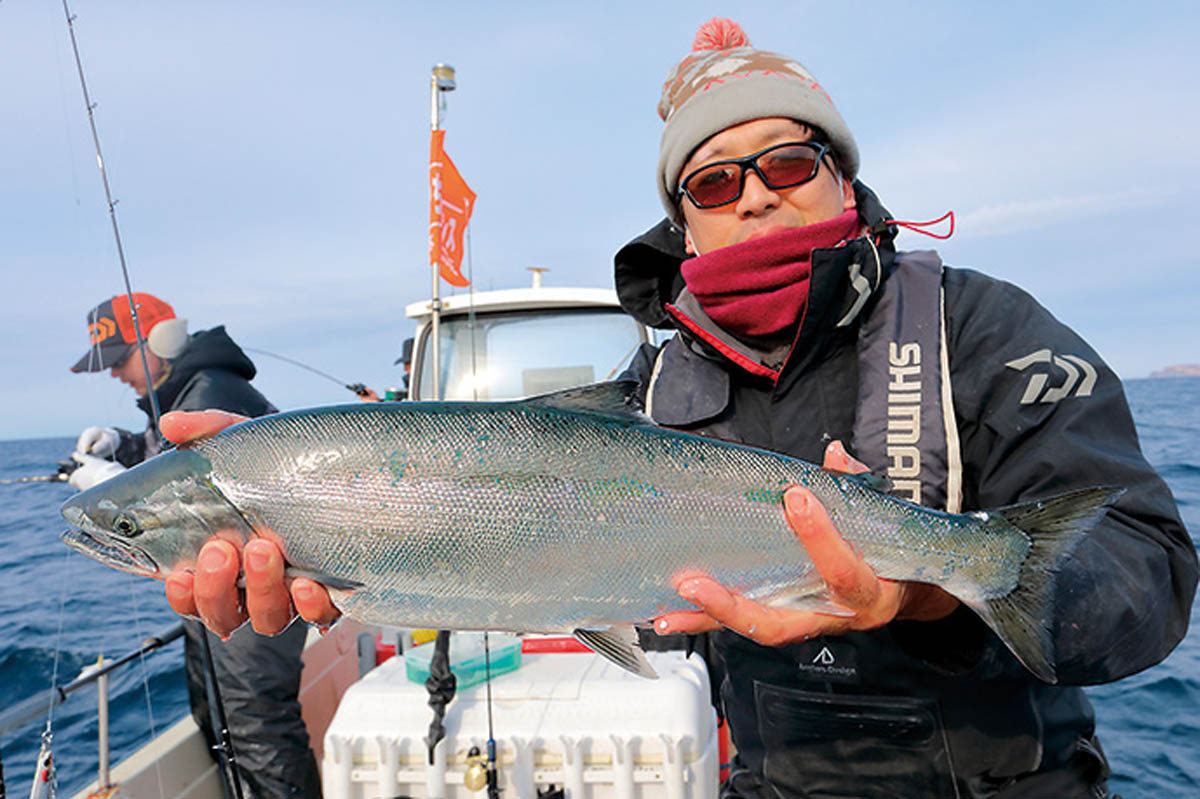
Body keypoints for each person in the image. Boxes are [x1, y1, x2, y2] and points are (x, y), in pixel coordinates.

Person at [156, 19, 1196, 799]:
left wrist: (924, 594)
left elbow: (1148, 572)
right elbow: (619, 587)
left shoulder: (983, 329)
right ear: (683, 224)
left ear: (842, 177)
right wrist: (353, 537)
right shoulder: (656, 390)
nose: (753, 194)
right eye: (712, 178)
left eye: (789, 162)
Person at [69, 292, 321, 799]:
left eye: (120, 358)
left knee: (254, 721)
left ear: (163, 339)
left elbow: (207, 485)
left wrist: (115, 484)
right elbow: (175, 454)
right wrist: (123, 443)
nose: (116, 373)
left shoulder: (211, 391)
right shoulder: (184, 390)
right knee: (215, 714)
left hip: (257, 585)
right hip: (223, 588)